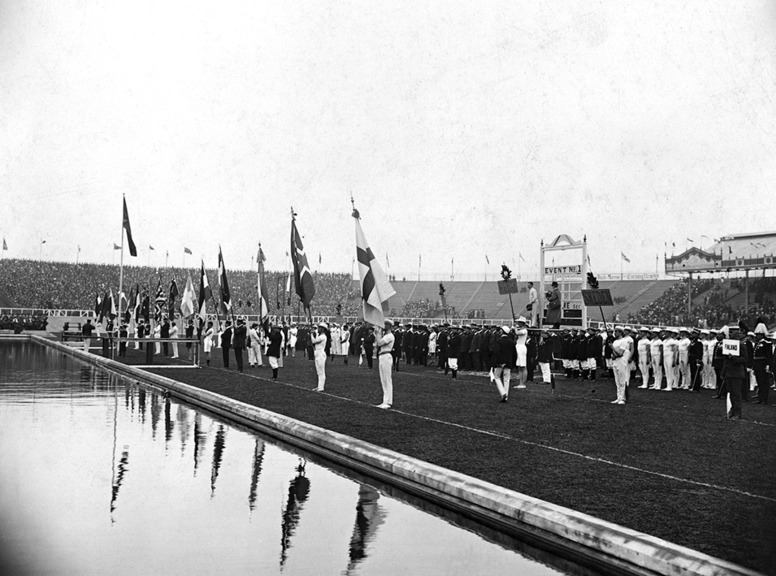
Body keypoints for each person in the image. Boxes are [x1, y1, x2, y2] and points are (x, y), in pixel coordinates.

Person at [723, 325, 749, 419]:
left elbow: (745, 359)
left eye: (731, 333)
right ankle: (733, 411)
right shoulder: (727, 345)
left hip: (737, 373)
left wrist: (733, 358)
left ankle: (738, 413)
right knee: (731, 393)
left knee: (737, 394)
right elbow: (725, 360)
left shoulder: (741, 345)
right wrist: (724, 371)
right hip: (729, 372)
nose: (729, 334)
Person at [375, 319, 395, 408]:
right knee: (383, 380)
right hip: (382, 356)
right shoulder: (385, 336)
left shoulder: (390, 336)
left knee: (387, 380)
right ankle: (385, 401)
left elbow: (379, 343)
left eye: (385, 325)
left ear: (389, 326)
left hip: (386, 356)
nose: (383, 326)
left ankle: (388, 402)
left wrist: (377, 334)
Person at [493, 326, 516, 402]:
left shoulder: (499, 341)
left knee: (497, 377)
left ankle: (503, 393)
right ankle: (506, 396)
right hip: (508, 362)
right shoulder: (512, 342)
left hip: (500, 362)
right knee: (506, 379)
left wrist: (499, 362)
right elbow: (514, 354)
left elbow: (497, 352)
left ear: (502, 331)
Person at [609, 326, 630, 405]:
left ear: (621, 332)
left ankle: (622, 398)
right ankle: (619, 397)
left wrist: (613, 348)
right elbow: (615, 354)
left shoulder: (624, 341)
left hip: (621, 362)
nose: (615, 333)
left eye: (617, 331)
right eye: (615, 331)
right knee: (617, 381)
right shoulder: (615, 342)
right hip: (615, 362)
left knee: (621, 380)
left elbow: (620, 353)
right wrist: (613, 355)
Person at [752, 323, 772, 404]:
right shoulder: (757, 343)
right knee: (759, 382)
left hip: (763, 365)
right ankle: (760, 398)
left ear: (762, 335)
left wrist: (768, 365)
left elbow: (768, 355)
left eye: (758, 334)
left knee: (764, 383)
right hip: (757, 365)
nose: (756, 336)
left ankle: (764, 399)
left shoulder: (766, 343)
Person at [311, 322, 328, 391]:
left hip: (321, 353)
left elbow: (314, 341)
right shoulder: (319, 336)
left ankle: (321, 387)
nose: (318, 329)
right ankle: (319, 386)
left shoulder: (323, 336)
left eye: (319, 328)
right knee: (318, 371)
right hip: (317, 353)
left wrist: (311, 334)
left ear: (323, 329)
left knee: (321, 371)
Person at [513, 316, 528, 389]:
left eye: (519, 322)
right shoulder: (521, 329)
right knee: (520, 367)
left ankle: (523, 383)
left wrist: (515, 327)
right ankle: (520, 383)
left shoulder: (524, 330)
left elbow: (517, 333)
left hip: (521, 348)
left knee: (523, 366)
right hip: (518, 347)